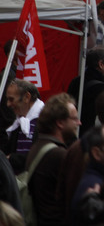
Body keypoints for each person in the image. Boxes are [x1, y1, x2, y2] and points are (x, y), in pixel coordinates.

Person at [27, 93, 80, 226]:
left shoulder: (37, 147)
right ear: (60, 123)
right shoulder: (58, 155)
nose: (79, 123)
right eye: (74, 119)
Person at [3, 78, 42, 169]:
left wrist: (12, 158)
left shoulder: (45, 122)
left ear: (26, 97)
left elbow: (41, 157)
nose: (8, 104)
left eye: (11, 99)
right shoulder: (17, 124)